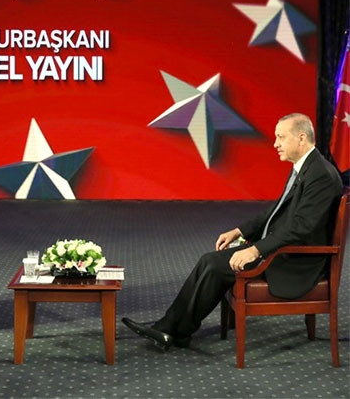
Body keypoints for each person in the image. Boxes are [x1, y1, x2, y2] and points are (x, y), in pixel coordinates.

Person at [122, 113, 343, 349]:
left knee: (214, 265)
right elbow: (276, 210)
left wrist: (256, 250)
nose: (275, 144)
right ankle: (172, 329)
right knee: (209, 260)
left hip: (295, 262)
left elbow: (301, 228)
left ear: (301, 138)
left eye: (281, 137)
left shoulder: (320, 175)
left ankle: (173, 330)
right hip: (280, 248)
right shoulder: (306, 167)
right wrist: (239, 231)